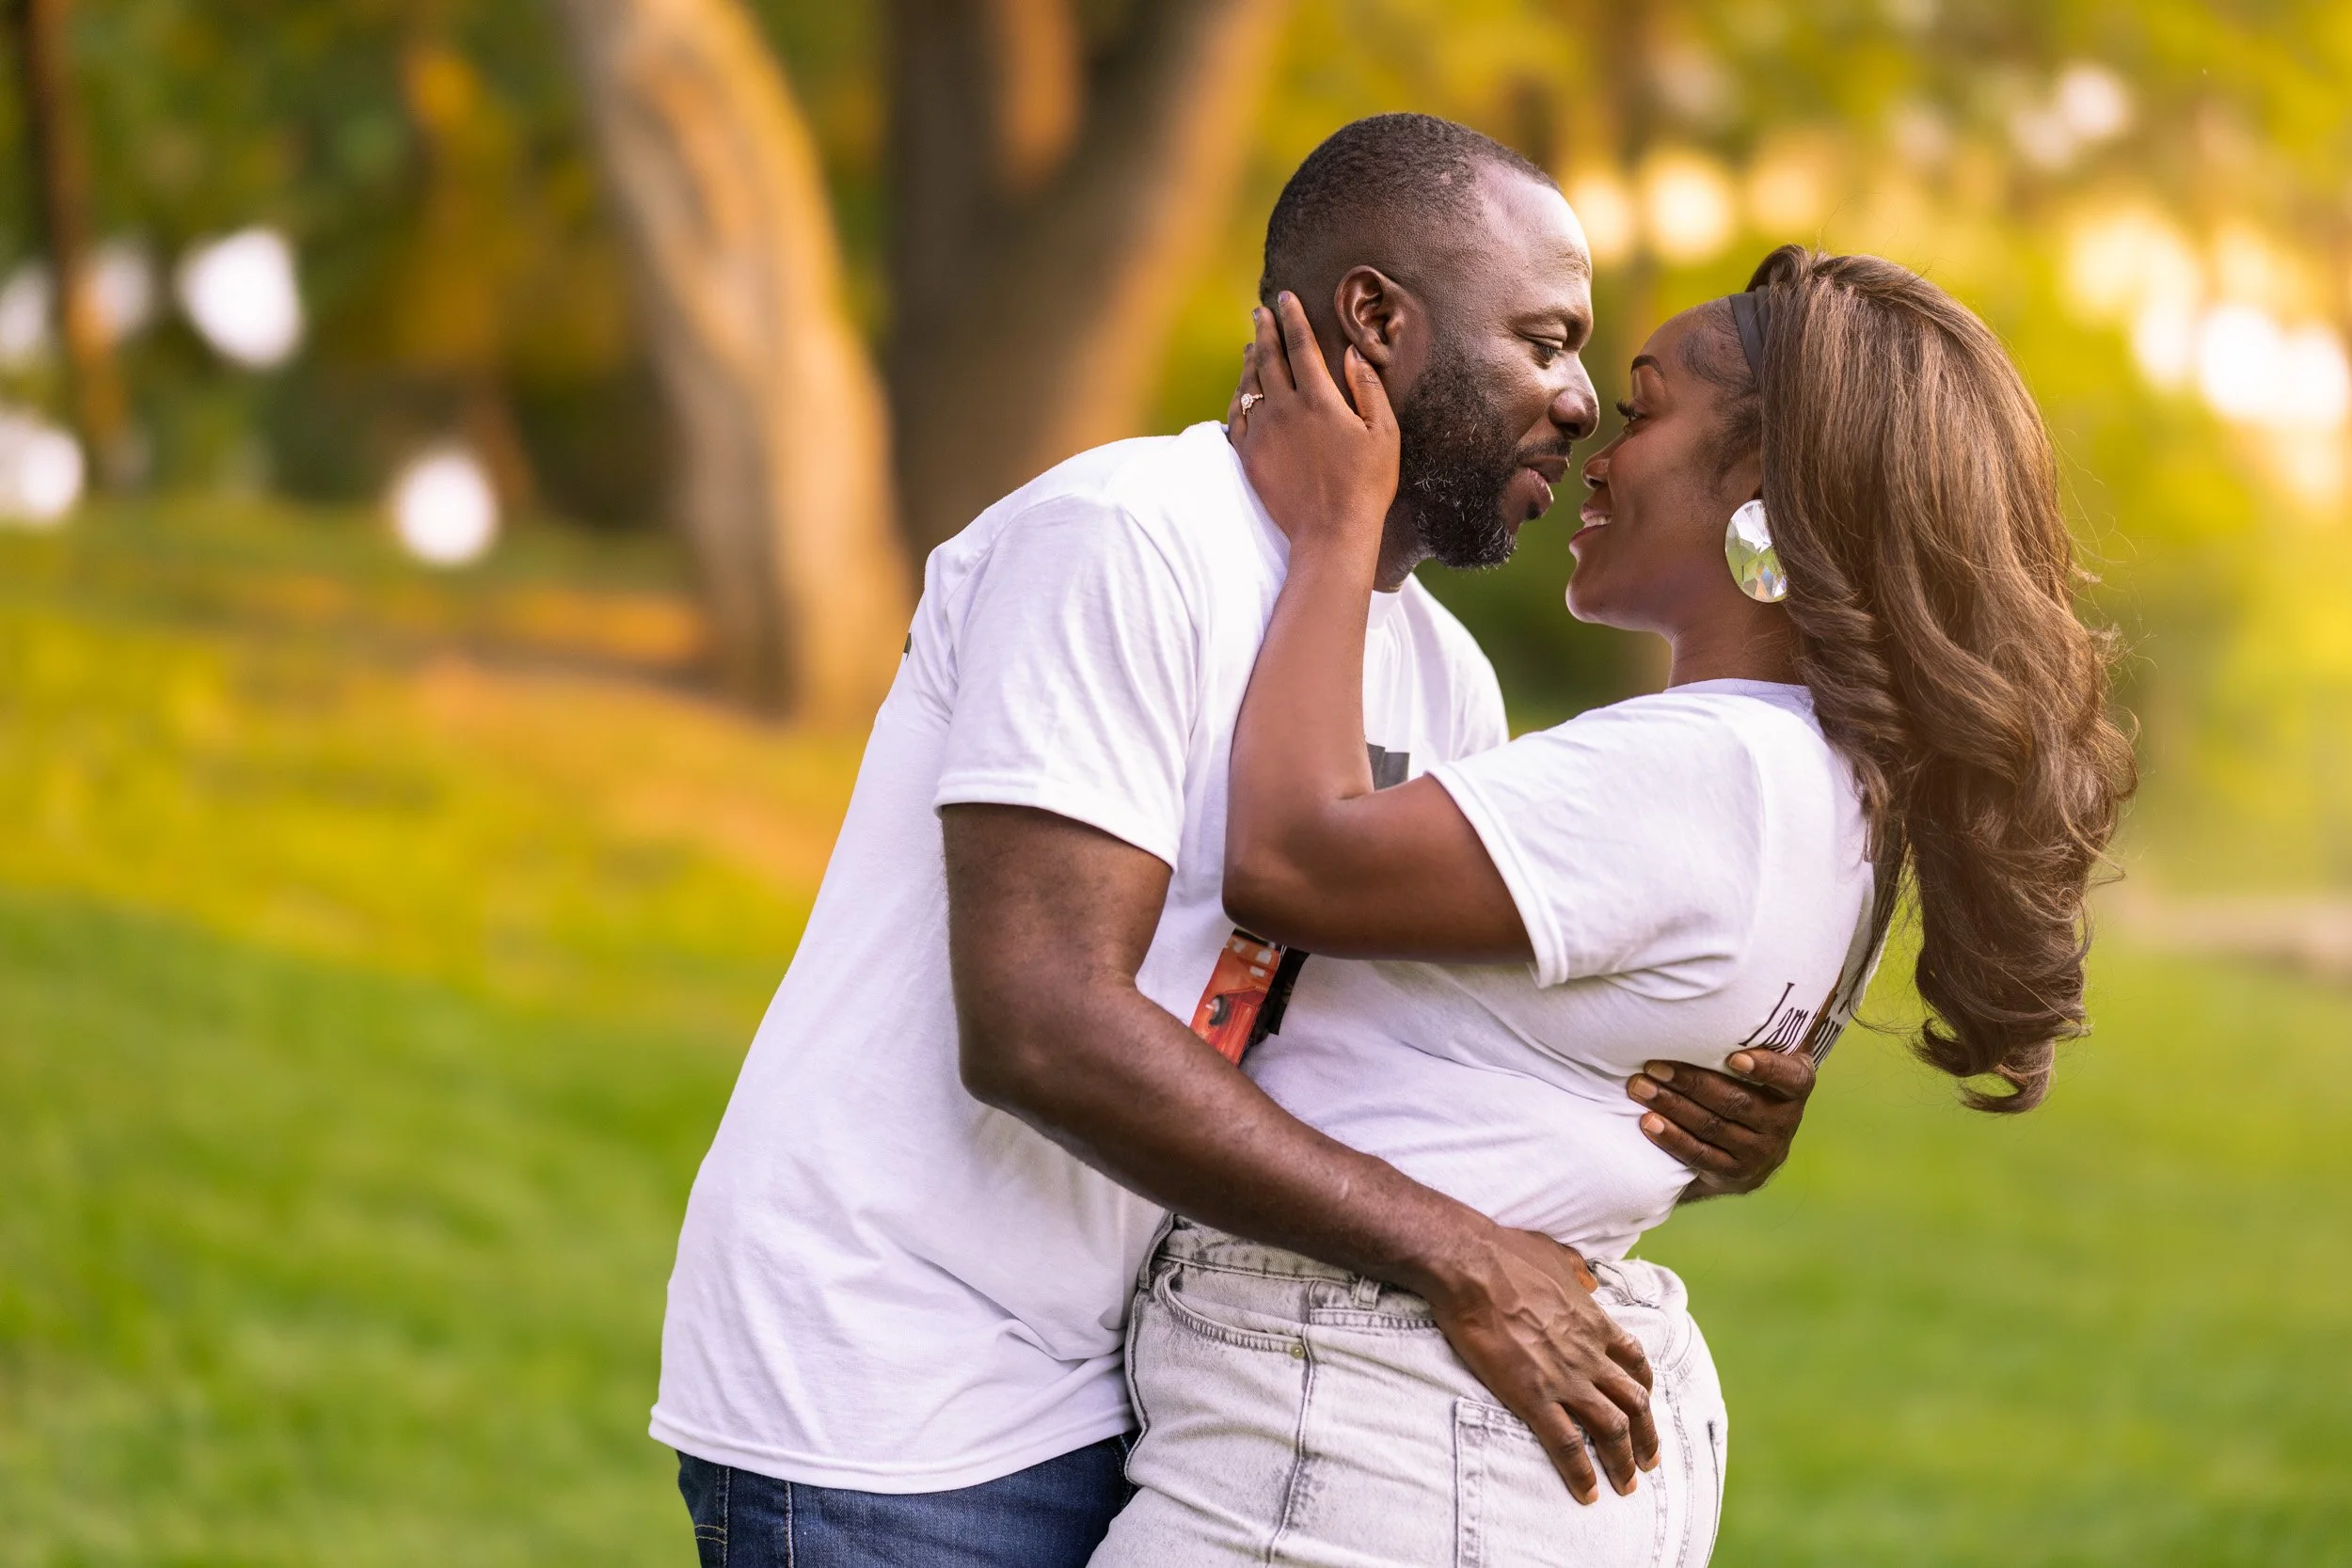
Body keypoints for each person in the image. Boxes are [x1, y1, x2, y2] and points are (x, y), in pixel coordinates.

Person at [650, 116, 1823, 1568]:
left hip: (1136, 1382)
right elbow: (1036, 1020)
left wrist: (1699, 1127)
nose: (1580, 401)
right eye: (1546, 339)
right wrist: (1460, 1259)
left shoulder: (1439, 673)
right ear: (1378, 320)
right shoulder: (1125, 539)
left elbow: (1391, 1059)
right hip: (892, 1390)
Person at [1089, 251, 2137, 1566]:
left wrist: (1334, 527)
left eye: (1642, 412)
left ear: (1763, 492)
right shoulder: (1832, 783)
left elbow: (1292, 857)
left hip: (1369, 1455)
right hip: (1458, 1455)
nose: (1591, 437)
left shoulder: (1712, 769)